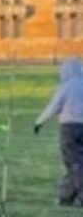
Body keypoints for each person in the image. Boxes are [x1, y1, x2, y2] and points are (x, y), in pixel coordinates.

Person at [35, 57, 83, 205]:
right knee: (78, 163)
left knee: (73, 163)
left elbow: (54, 106)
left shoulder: (66, 87)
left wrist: (39, 122)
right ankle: (66, 198)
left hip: (69, 128)